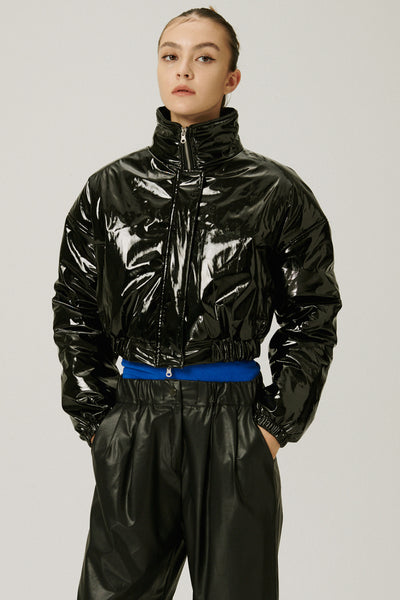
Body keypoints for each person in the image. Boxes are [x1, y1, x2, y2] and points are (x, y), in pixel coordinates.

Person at [52, 6, 342, 599]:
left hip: (233, 425)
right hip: (135, 421)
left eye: (204, 57)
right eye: (171, 55)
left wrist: (272, 427)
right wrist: (99, 423)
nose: (184, 69)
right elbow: (75, 306)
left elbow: (312, 314)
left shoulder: (276, 194)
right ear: (158, 67)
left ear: (231, 77)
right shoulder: (108, 190)